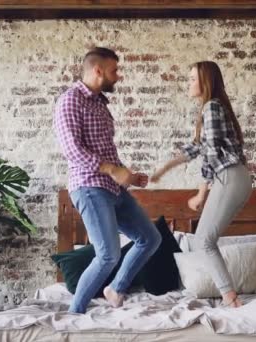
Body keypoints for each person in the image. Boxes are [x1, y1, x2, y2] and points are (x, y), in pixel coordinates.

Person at [53, 47, 161, 313]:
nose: (118, 76)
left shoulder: (100, 102)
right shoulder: (70, 100)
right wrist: (114, 171)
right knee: (107, 255)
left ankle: (116, 289)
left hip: (113, 188)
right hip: (89, 188)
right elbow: (72, 150)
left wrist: (128, 175)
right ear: (97, 70)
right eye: (115, 71)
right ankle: (74, 313)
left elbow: (106, 151)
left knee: (150, 238)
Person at [150, 61, 251, 308]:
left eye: (192, 78)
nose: (188, 83)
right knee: (204, 240)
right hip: (232, 177)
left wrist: (200, 193)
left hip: (229, 176)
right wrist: (166, 167)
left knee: (204, 240)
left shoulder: (211, 108)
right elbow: (198, 147)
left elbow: (211, 153)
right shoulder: (212, 108)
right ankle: (230, 297)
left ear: (205, 82)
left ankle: (230, 298)